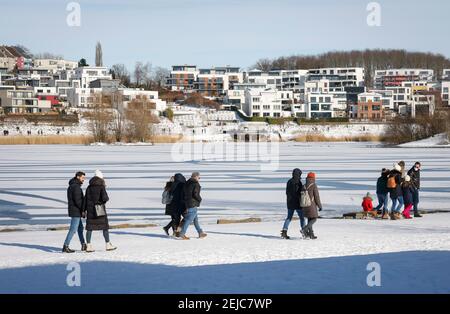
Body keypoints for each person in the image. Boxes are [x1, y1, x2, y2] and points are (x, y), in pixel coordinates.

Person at [83, 170, 116, 252]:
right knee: (104, 227)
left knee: (89, 228)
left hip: (90, 210)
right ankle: (108, 244)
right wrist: (103, 201)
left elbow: (85, 199)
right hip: (100, 209)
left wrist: (83, 210)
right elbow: (105, 198)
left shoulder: (89, 187)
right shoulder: (101, 186)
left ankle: (89, 245)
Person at [62, 171, 87, 253]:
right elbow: (78, 201)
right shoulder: (76, 187)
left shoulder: (73, 186)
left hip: (75, 210)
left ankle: (83, 244)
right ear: (78, 177)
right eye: (82, 178)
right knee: (73, 229)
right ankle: (65, 246)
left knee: (80, 228)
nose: (84, 179)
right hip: (76, 211)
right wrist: (83, 210)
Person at [179, 172, 207, 240]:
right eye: (199, 177)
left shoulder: (187, 183)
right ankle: (182, 233)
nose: (199, 179)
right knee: (189, 219)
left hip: (187, 203)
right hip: (193, 203)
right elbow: (195, 194)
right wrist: (200, 199)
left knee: (195, 219)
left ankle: (200, 233)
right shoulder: (195, 183)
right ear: (195, 176)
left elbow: (183, 193)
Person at [281, 168, 304, 239]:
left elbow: (287, 192)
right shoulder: (298, 182)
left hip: (290, 203)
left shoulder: (289, 181)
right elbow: (299, 193)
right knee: (302, 218)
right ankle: (304, 231)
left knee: (289, 218)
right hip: (297, 203)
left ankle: (284, 231)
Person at [301, 172, 322, 240]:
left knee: (310, 219)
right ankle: (304, 229)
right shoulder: (313, 185)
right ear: (313, 178)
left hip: (304, 205)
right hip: (311, 205)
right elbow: (316, 197)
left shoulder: (303, 185)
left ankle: (311, 235)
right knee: (314, 218)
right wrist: (320, 206)